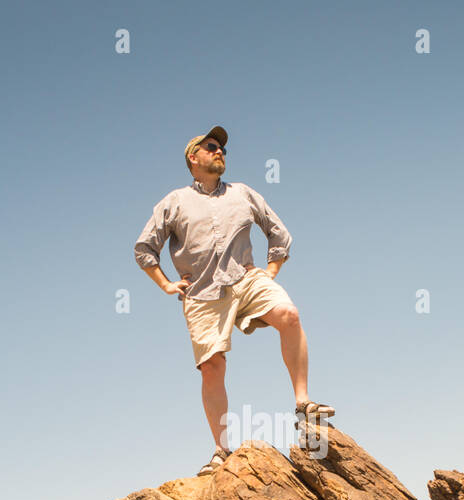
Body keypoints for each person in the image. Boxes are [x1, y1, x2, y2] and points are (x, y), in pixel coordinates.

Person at [134, 125, 335, 476]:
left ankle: (303, 402)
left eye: (222, 148)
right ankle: (220, 449)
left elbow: (279, 233)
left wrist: (270, 270)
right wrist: (166, 284)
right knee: (212, 366)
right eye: (211, 147)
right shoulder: (174, 201)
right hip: (201, 294)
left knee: (288, 313)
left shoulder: (243, 193)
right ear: (192, 158)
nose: (220, 151)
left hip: (245, 278)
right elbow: (144, 248)